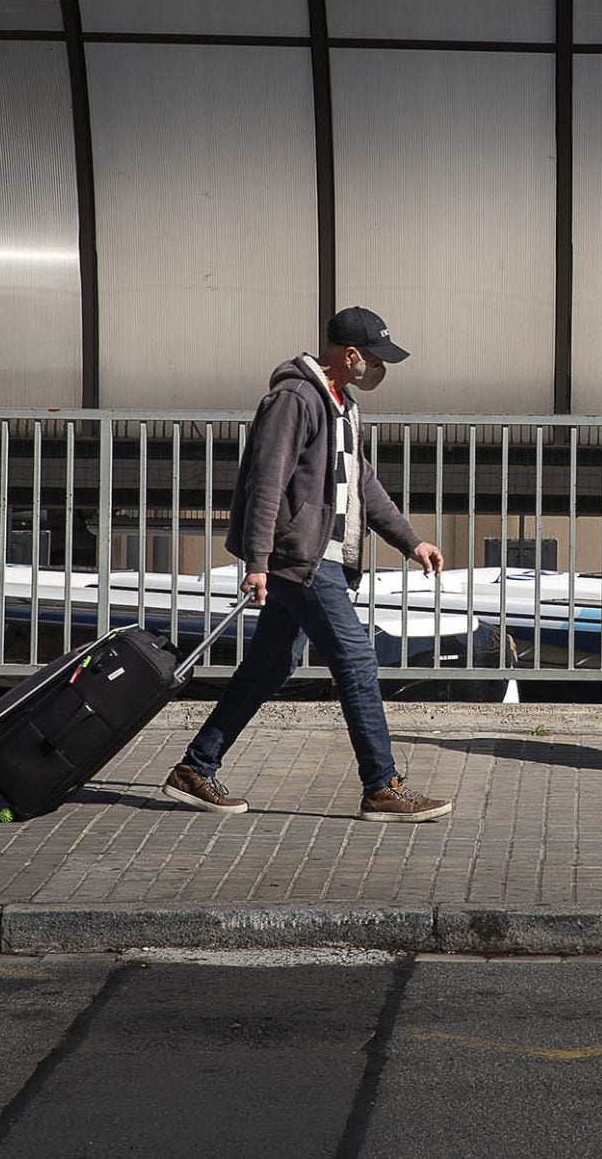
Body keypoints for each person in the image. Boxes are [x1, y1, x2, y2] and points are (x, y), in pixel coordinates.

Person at [159, 307, 453, 823]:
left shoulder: (343, 405)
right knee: (357, 663)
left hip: (321, 556)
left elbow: (363, 485)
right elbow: (266, 482)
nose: (380, 368)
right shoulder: (295, 398)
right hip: (303, 559)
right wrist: (257, 561)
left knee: (270, 666)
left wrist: (411, 542)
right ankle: (381, 786)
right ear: (350, 354)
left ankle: (194, 768)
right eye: (376, 358)